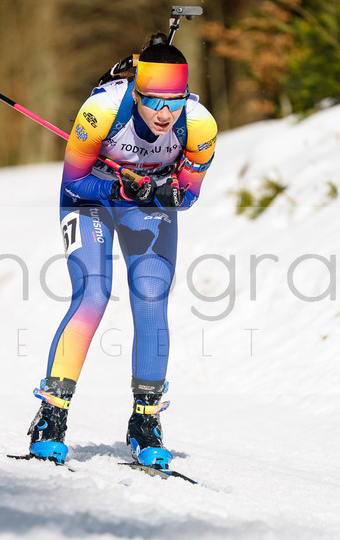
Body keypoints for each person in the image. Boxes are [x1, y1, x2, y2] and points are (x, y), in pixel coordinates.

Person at [26, 37, 218, 469]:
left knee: (151, 299)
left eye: (176, 102)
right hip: (91, 198)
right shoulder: (101, 112)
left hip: (146, 206)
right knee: (93, 296)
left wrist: (165, 194)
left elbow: (189, 195)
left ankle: (145, 423)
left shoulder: (200, 126)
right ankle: (51, 417)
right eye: (154, 102)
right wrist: (117, 186)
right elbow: (75, 181)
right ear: (136, 92)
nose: (166, 114)